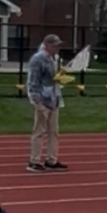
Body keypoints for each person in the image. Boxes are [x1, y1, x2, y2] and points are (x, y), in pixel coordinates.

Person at [24, 34, 67, 172]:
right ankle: (34, 160)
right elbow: (33, 82)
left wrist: (61, 77)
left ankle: (51, 160)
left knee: (53, 132)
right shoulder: (38, 59)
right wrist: (37, 101)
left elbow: (54, 78)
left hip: (54, 98)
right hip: (42, 99)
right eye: (55, 45)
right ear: (47, 45)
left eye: (58, 45)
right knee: (39, 131)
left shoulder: (55, 58)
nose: (57, 48)